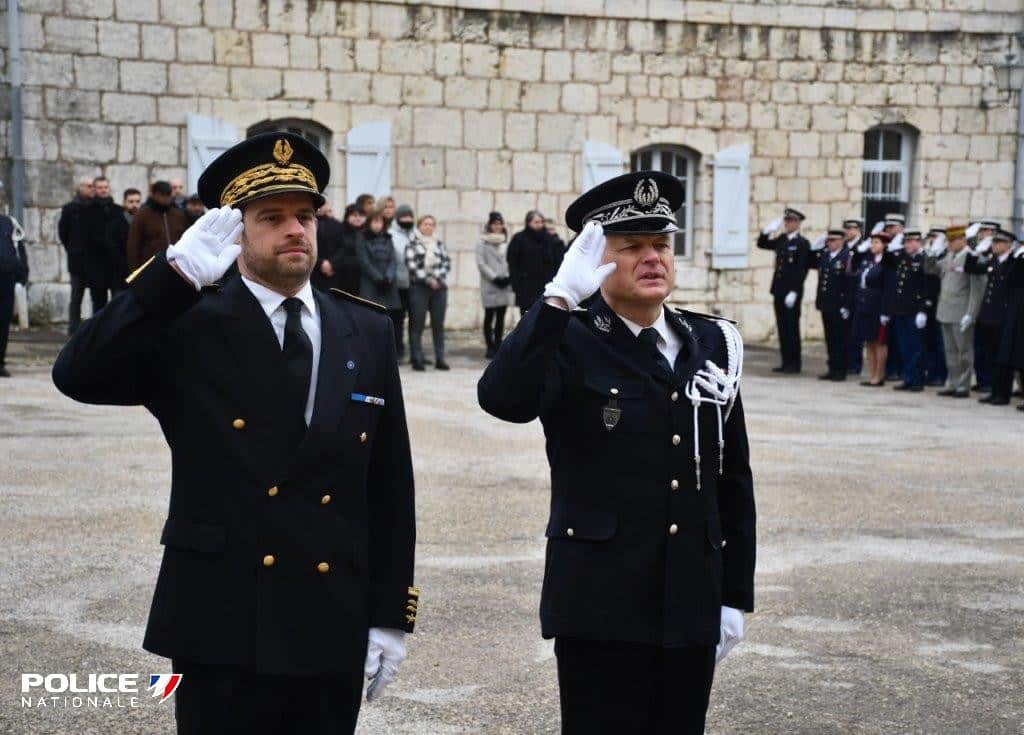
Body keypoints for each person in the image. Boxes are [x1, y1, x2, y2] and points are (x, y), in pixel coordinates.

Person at [52, 132, 418, 735]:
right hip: (222, 617)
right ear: (236, 229)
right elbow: (77, 373)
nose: (295, 230)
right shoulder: (190, 318)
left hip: (331, 616)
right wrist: (169, 280)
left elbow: (389, 485)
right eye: (271, 217)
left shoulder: (365, 328)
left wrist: (389, 613)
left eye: (305, 215)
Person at [479, 171, 755, 735]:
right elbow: (503, 399)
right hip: (599, 607)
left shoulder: (711, 343)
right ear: (597, 261)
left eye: (661, 245)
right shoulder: (570, 338)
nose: (652, 258)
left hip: (690, 603)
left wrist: (734, 594)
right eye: (631, 247)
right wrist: (557, 299)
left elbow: (732, 480)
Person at [924, 224, 986, 398]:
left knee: (964, 352)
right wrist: (930, 253)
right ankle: (952, 382)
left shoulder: (971, 258)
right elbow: (931, 269)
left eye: (953, 240)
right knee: (950, 352)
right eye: (948, 240)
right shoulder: (949, 256)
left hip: (961, 312)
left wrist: (971, 313)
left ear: (963, 240)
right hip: (945, 310)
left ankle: (963, 385)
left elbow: (977, 289)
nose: (950, 244)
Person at [755, 207, 812, 373]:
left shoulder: (802, 243)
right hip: (779, 289)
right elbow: (762, 244)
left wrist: (795, 291)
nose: (786, 224)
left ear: (797, 223)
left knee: (792, 327)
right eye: (785, 221)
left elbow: (802, 269)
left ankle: (795, 363)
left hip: (791, 292)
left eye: (790, 221)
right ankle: (786, 361)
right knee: (782, 326)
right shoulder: (782, 239)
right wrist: (767, 231)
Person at [966, 229, 1016, 405]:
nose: (994, 245)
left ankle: (1003, 393)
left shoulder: (1013, 263)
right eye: (993, 242)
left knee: (1003, 357)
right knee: (991, 355)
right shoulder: (993, 260)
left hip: (1003, 316)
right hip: (988, 314)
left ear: (1009, 245)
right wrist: (974, 249)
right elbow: (971, 268)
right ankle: (994, 391)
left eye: (998, 242)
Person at [884, 230, 930, 392]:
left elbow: (927, 287)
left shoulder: (924, 259)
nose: (908, 245)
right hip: (900, 309)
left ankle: (917, 380)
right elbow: (886, 261)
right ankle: (908, 378)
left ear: (920, 242)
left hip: (915, 310)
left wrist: (923, 310)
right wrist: (891, 247)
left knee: (915, 347)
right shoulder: (902, 259)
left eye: (912, 241)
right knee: (904, 347)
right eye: (906, 242)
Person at [405, 214, 450, 371]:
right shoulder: (412, 244)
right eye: (425, 224)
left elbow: (446, 263)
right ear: (419, 226)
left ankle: (440, 359)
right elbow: (412, 266)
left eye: (431, 224)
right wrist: (429, 280)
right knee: (417, 324)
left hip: (439, 289)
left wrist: (437, 279)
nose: (428, 227)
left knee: (438, 324)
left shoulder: (440, 244)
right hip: (419, 287)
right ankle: (417, 358)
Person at [851, 232, 893, 387]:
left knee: (879, 342)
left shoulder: (887, 263)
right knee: (868, 341)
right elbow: (853, 267)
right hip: (864, 304)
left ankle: (879, 375)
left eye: (876, 242)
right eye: (872, 242)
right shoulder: (868, 260)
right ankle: (871, 374)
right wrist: (857, 251)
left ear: (884, 245)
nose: (872, 245)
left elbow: (888, 288)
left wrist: (885, 311)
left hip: (878, 305)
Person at [812, 229, 852, 381]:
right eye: (829, 241)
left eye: (834, 240)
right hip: (826, 303)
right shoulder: (825, 256)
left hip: (839, 304)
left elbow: (849, 284)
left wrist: (846, 305)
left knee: (840, 339)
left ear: (841, 241)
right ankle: (832, 367)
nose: (830, 243)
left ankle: (840, 370)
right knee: (830, 338)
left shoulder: (846, 257)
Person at [57, 176, 96, 334]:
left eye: (92, 186)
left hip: (95, 260)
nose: (91, 189)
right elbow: (63, 233)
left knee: (96, 295)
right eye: (87, 186)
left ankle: (94, 327)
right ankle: (73, 327)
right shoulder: (70, 208)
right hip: (77, 260)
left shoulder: (96, 208)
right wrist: (73, 249)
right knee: (76, 295)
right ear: (79, 188)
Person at [357, 208, 402, 343]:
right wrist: (377, 277)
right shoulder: (362, 237)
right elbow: (364, 260)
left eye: (380, 222)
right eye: (375, 221)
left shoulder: (388, 238)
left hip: (388, 283)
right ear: (370, 222)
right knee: (370, 316)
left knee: (389, 317)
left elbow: (393, 259)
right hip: (371, 283)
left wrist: (388, 276)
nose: (377, 224)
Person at [507, 210, 563, 316]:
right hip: (525, 287)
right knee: (526, 317)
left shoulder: (549, 239)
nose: (539, 225)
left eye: (541, 222)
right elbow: (512, 263)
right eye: (536, 222)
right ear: (529, 223)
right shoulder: (519, 239)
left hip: (545, 287)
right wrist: (516, 284)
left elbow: (556, 262)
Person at [126, 180, 188, 273]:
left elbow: (185, 241)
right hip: (150, 269)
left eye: (168, 194)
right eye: (161, 195)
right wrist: (136, 272)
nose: (165, 198)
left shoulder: (178, 215)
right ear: (154, 194)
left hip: (176, 269)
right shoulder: (142, 216)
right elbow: (133, 246)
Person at [475, 211, 514, 358]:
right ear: (490, 225)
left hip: (504, 284)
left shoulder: (506, 241)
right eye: (494, 224)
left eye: (499, 224)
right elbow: (481, 263)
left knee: (501, 317)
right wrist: (495, 277)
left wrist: (508, 277)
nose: (497, 226)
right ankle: (489, 346)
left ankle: (498, 344)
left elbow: (511, 260)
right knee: (489, 316)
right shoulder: (482, 243)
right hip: (490, 284)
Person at [0, 213, 28, 377]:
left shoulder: (8, 222)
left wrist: (23, 272)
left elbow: (18, 246)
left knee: (3, 322)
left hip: (6, 279)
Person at [389, 204, 416, 361]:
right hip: (396, 284)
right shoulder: (391, 234)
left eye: (409, 217)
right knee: (397, 319)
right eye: (404, 217)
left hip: (414, 284)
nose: (407, 220)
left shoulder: (415, 234)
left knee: (414, 319)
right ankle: (397, 351)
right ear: (398, 218)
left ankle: (415, 353)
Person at [318, 204, 364, 294]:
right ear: (347, 216)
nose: (358, 218)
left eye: (361, 215)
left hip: (361, 278)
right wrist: (332, 264)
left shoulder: (366, 233)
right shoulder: (340, 229)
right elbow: (339, 250)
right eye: (354, 215)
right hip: (342, 275)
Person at [922, 228, 948, 386]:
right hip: (928, 303)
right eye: (930, 237)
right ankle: (931, 372)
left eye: (934, 237)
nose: (931, 240)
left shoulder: (945, 255)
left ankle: (940, 374)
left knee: (940, 343)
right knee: (928, 341)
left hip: (941, 302)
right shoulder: (929, 254)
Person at [107, 188, 142, 293]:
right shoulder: (116, 222)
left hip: (141, 270)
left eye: (137, 201)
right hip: (121, 272)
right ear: (124, 202)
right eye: (131, 202)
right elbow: (113, 245)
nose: (134, 205)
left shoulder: (145, 221)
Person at [842, 219, 865, 376]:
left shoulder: (862, 247)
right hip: (843, 294)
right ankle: (844, 361)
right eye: (847, 228)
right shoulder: (844, 246)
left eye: (851, 228)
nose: (848, 231)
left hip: (857, 295)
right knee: (843, 332)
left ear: (858, 230)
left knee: (855, 332)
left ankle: (855, 364)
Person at [311, 201, 345, 292]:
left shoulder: (337, 225)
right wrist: (321, 263)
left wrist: (332, 263)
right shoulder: (309, 224)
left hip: (333, 271)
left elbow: (342, 247)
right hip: (313, 271)